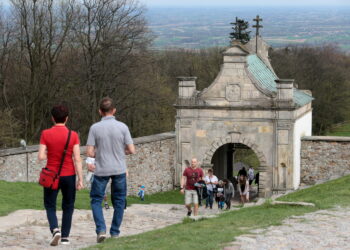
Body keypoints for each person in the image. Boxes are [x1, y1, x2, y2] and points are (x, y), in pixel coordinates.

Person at [86, 97, 135, 243]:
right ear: (114, 110)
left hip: (101, 170)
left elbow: (89, 152)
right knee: (119, 201)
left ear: (100, 111)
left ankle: (101, 229)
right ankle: (115, 232)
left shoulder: (94, 128)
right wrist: (122, 151)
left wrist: (99, 153)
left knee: (96, 200)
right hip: (119, 168)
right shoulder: (123, 127)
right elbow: (132, 150)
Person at [38, 105, 83, 246]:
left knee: (50, 204)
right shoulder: (73, 135)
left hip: (51, 175)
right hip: (69, 175)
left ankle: (55, 229)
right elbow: (77, 158)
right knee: (68, 205)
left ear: (52, 118)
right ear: (67, 119)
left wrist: (49, 154)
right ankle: (65, 237)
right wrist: (80, 179)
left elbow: (40, 156)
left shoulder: (45, 133)